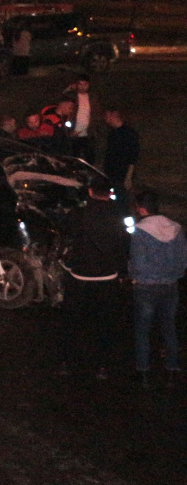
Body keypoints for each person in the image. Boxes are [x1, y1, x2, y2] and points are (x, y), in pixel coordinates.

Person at [58, 177, 127, 379]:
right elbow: (124, 243)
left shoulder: (79, 214)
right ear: (109, 192)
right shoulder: (118, 215)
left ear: (90, 191)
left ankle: (67, 363)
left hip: (81, 276)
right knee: (105, 323)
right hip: (107, 277)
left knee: (73, 321)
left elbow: (66, 232)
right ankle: (102, 366)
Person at [129, 191, 187, 389]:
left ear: (141, 208)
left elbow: (137, 263)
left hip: (145, 286)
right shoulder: (176, 228)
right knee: (169, 327)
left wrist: (133, 275)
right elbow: (183, 261)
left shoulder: (140, 231)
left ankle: (143, 371)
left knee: (143, 330)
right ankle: (172, 368)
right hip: (170, 285)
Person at [103, 108, 139, 202]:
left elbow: (133, 156)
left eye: (107, 116)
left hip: (122, 175)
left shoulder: (129, 133)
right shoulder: (112, 133)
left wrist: (128, 177)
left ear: (113, 115)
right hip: (111, 175)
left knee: (123, 200)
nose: (106, 119)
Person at [64, 74, 95, 161]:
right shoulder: (73, 97)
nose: (82, 87)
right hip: (75, 133)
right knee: (74, 158)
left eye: (84, 84)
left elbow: (95, 114)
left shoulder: (92, 97)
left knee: (89, 158)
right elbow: (63, 95)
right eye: (80, 84)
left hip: (88, 134)